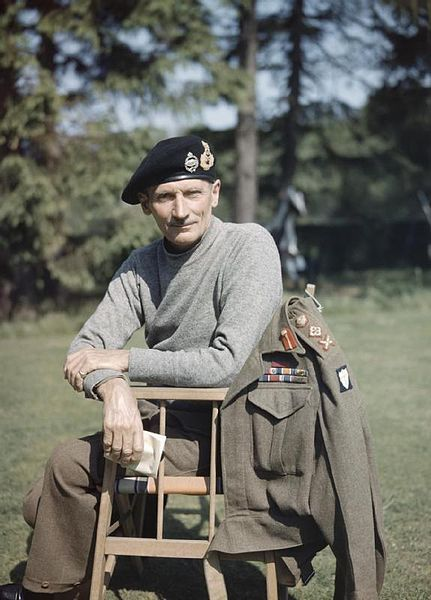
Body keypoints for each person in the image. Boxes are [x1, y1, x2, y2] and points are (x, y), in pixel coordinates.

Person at [0, 135, 283, 600]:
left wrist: (126, 360)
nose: (181, 210)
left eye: (193, 192)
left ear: (215, 192)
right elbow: (86, 346)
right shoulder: (140, 267)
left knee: (65, 468)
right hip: (161, 425)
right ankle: (113, 543)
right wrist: (115, 389)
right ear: (147, 206)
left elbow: (224, 364)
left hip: (228, 431)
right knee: (40, 504)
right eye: (166, 197)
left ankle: (46, 592)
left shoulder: (248, 246)